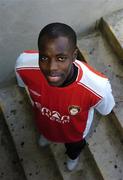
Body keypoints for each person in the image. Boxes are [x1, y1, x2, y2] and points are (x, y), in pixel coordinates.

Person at [15, 22, 115, 171]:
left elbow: (106, 110)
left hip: (74, 133)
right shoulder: (23, 66)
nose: (51, 68)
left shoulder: (97, 87)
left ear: (74, 56)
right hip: (44, 122)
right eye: (44, 58)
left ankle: (72, 157)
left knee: (74, 148)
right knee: (46, 130)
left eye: (61, 58)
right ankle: (47, 136)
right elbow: (23, 85)